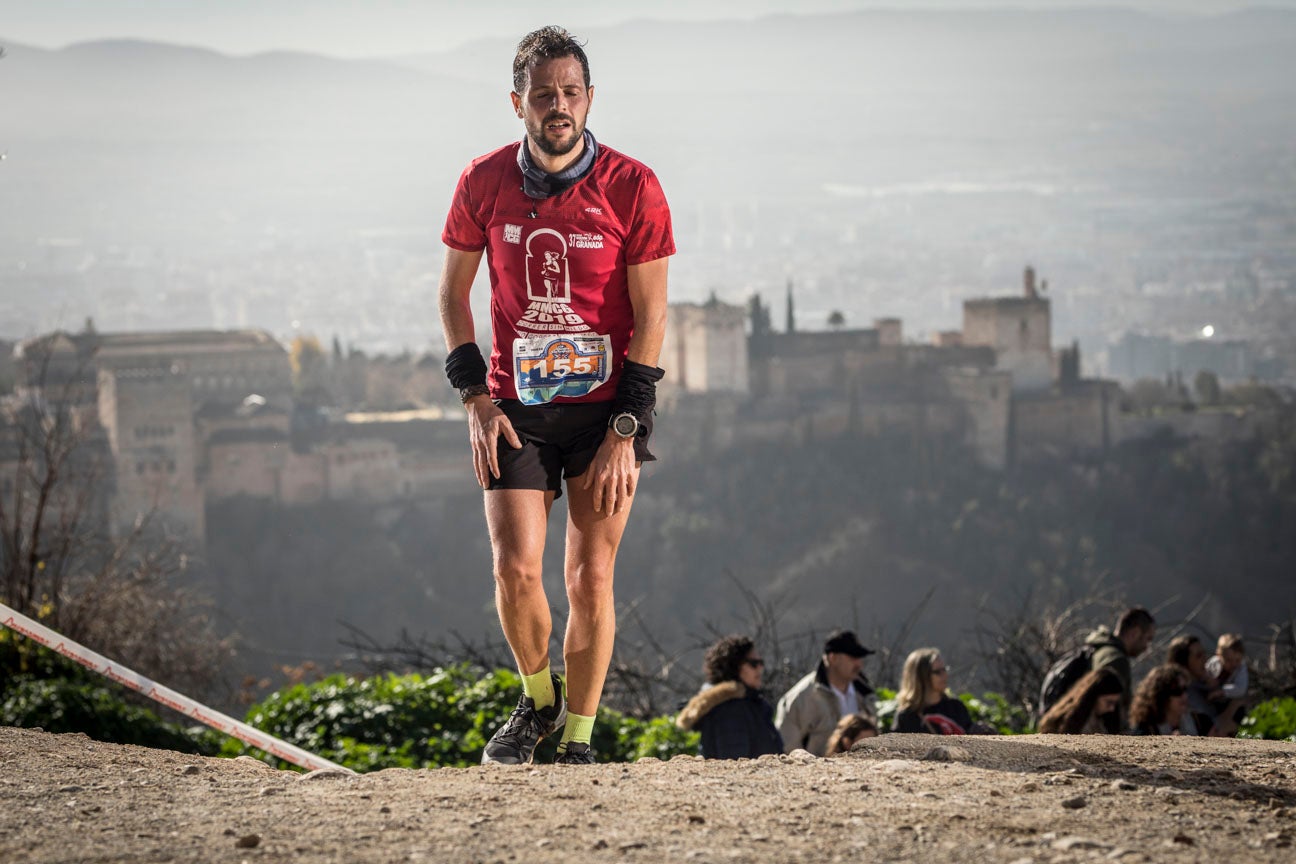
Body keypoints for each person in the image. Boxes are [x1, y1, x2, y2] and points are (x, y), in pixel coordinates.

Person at [439, 26, 674, 765]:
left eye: (572, 93)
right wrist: (474, 396)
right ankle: (536, 702)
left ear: (590, 98)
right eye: (545, 96)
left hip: (606, 415)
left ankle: (577, 738)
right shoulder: (482, 181)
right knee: (513, 570)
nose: (559, 107)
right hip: (516, 412)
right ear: (519, 104)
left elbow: (653, 315)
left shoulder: (633, 186)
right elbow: (452, 295)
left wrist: (627, 429)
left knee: (589, 576)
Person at [675, 636, 783, 760]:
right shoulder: (731, 709)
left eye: (761, 663)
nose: (760, 668)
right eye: (754, 664)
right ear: (735, 667)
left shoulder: (751, 703)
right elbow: (732, 763)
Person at [775, 630, 877, 756]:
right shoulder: (800, 698)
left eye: (860, 658)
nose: (859, 664)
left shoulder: (865, 695)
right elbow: (787, 745)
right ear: (832, 658)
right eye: (853, 657)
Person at [1083, 606, 1156, 729]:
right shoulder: (1117, 661)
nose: (1147, 647)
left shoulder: (1099, 649)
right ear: (1135, 633)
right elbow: (1111, 712)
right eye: (1147, 639)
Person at [893, 648, 974, 735]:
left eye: (944, 669)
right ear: (921, 677)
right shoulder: (907, 716)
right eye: (938, 672)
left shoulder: (956, 707)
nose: (945, 675)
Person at [1037, 668, 1124, 734]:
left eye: (1115, 703)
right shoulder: (1070, 718)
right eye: (1108, 702)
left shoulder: (1104, 720)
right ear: (1094, 696)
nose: (1112, 708)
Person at [1166, 634, 1217, 736]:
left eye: (1204, 654)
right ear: (1183, 662)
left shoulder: (1204, 685)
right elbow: (1215, 730)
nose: (1205, 659)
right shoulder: (1181, 694)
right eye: (1198, 656)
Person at [1205, 633, 1249, 736]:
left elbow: (1240, 689)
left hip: (1230, 700)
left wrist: (1222, 691)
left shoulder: (1241, 668)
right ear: (1219, 656)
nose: (1233, 664)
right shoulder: (1212, 664)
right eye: (1228, 660)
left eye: (1237, 660)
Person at [1129, 664, 1191, 735]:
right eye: (1177, 691)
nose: (1184, 695)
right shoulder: (1145, 730)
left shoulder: (1199, 722)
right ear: (1162, 695)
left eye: (1185, 689)